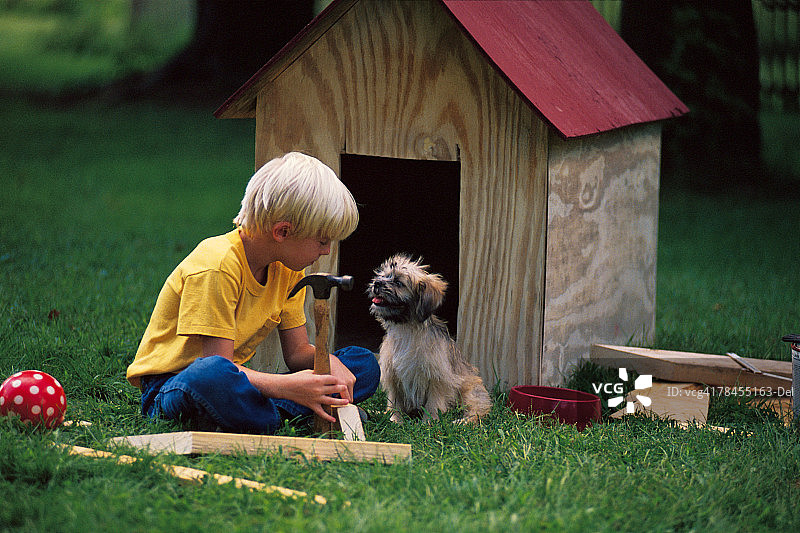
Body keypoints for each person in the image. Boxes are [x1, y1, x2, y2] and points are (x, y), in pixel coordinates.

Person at [126, 152, 379, 434]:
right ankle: (286, 415)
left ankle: (267, 413)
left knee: (362, 363)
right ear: (282, 232)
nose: (327, 250)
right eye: (322, 240)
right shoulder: (217, 266)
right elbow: (217, 366)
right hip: (176, 385)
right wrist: (287, 387)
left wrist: (329, 363)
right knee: (213, 377)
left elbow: (296, 353)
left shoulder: (289, 269)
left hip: (236, 383)